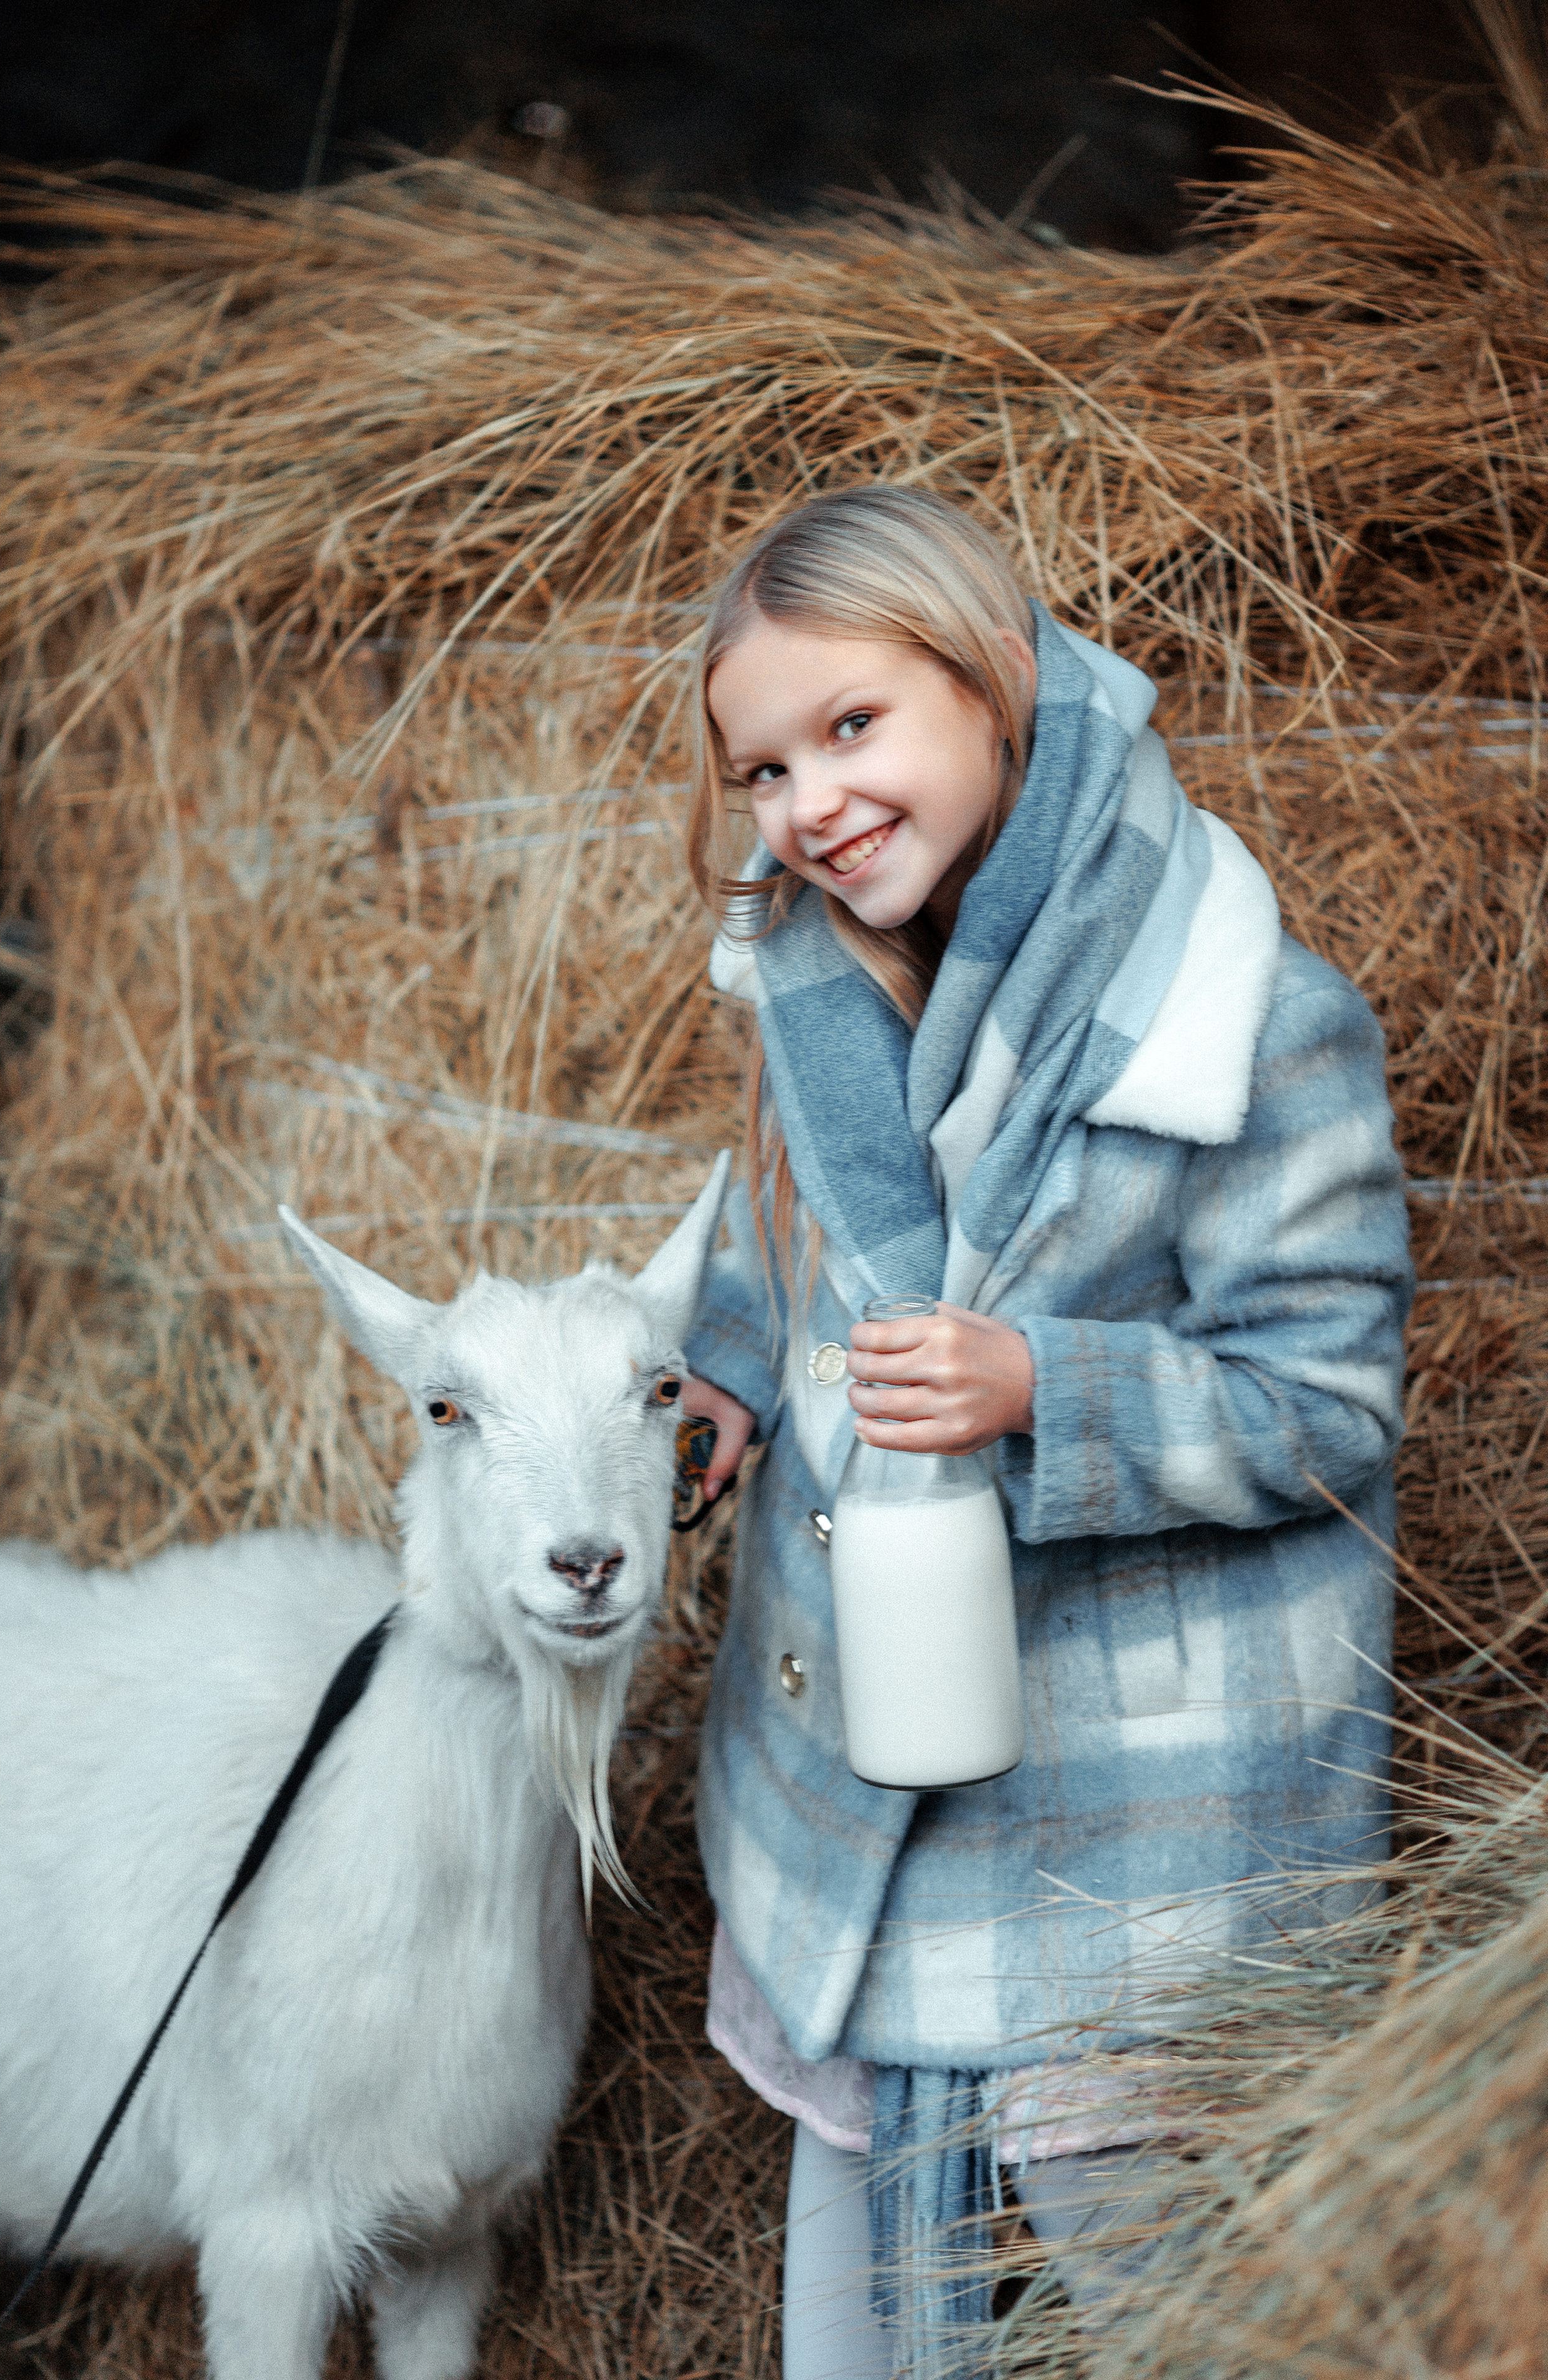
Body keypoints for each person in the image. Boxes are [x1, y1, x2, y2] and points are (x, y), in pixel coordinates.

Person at [674, 485, 1412, 2377]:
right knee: (853, 2265)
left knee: (1163, 2274)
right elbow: (793, 1227)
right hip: (880, 1729)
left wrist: (1045, 1394)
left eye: (854, 727)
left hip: (1125, 1803)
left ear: (1000, 682)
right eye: (763, 766)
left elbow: (1324, 1403)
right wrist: (729, 1374)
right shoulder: (822, 990)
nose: (809, 804)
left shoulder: (1246, 1021)